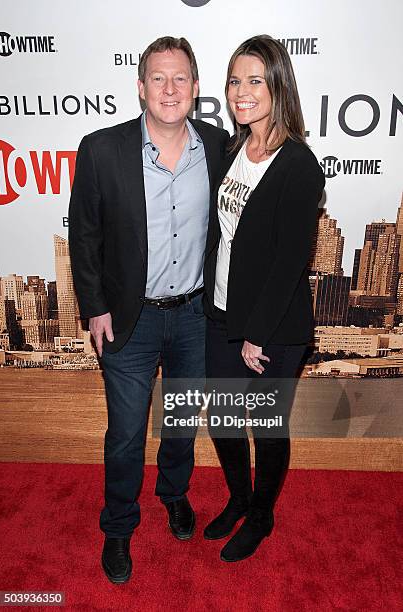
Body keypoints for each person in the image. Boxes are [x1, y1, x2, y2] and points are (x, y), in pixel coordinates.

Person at [68, 36, 229, 583]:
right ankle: (117, 526)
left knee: (181, 422)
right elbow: (84, 238)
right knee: (127, 432)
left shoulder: (219, 146)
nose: (169, 88)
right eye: (158, 78)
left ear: (197, 88)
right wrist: (94, 306)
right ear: (140, 87)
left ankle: (175, 494)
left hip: (193, 317)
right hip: (128, 319)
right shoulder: (101, 149)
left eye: (180, 78)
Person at [203, 35, 325, 562]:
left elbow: (289, 260)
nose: (242, 92)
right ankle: (239, 498)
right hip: (221, 314)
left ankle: (261, 516)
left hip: (272, 327)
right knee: (223, 419)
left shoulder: (299, 166)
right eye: (234, 81)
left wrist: (257, 333)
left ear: (278, 86)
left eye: (255, 80)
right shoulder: (231, 150)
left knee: (266, 425)